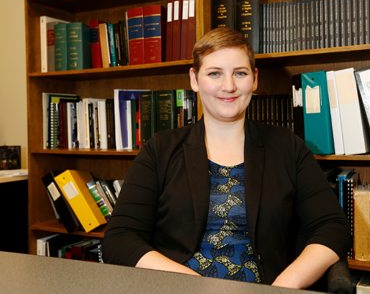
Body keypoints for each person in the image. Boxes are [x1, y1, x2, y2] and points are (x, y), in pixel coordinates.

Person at [102, 27, 351, 289]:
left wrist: (282, 287)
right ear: (194, 79)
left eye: (240, 73)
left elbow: (332, 227)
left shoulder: (288, 147)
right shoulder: (160, 150)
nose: (229, 86)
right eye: (214, 74)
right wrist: (189, 283)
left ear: (254, 79)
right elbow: (119, 238)